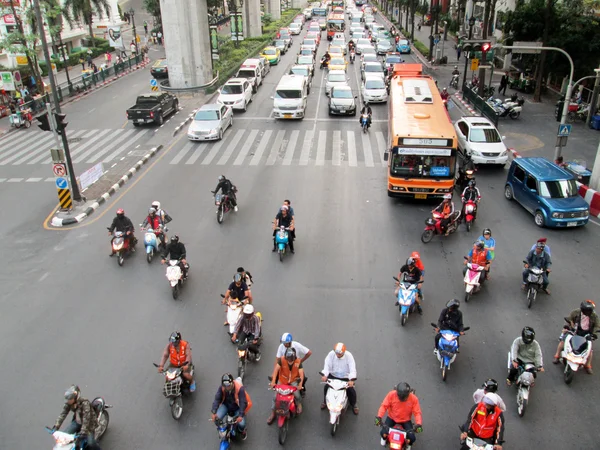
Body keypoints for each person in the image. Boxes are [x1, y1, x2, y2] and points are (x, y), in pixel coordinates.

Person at [553, 300, 599, 373]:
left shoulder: (594, 316)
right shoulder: (576, 312)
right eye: (586, 311)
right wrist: (567, 327)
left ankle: (588, 365)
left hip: (587, 333)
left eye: (589, 311)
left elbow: (597, 326)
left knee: (589, 350)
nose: (587, 313)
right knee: (563, 341)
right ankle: (557, 355)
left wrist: (594, 334)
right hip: (575, 330)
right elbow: (569, 319)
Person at [52, 385, 101, 450]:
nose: (68, 401)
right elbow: (63, 414)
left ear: (75, 398)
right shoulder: (69, 403)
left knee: (91, 444)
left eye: (70, 399)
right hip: (77, 422)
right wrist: (56, 425)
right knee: (64, 437)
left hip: (89, 425)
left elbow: (87, 419)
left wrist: (83, 432)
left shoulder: (85, 403)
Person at [375, 382, 423, 447]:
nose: (402, 399)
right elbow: (384, 406)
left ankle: (408, 445)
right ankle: (384, 439)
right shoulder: (391, 395)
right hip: (392, 418)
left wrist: (419, 424)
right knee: (383, 433)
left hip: (406, 420)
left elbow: (417, 412)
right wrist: (379, 417)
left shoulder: (414, 399)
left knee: (412, 438)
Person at [267, 347, 306, 423]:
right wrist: (273, 382)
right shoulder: (281, 360)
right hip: (282, 381)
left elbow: (301, 374)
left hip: (293, 381)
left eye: (291, 360)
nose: (289, 361)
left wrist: (300, 384)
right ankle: (273, 414)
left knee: (297, 395)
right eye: (288, 360)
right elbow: (276, 371)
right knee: (275, 397)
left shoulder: (298, 362)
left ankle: (298, 404)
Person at [321, 343, 359, 414]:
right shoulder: (331, 354)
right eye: (336, 353)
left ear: (344, 352)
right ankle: (325, 402)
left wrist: (351, 380)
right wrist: (325, 375)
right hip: (333, 376)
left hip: (345, 377)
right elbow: (327, 365)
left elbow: (352, 369)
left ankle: (354, 405)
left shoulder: (349, 356)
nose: (337, 355)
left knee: (351, 391)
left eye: (339, 353)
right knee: (326, 388)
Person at [211, 373, 250, 440]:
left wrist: (240, 415)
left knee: (242, 424)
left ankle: (242, 431)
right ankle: (222, 431)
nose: (226, 388)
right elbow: (217, 398)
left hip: (237, 408)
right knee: (216, 419)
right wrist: (214, 411)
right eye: (225, 386)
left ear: (232, 383)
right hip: (226, 406)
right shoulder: (222, 388)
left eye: (228, 386)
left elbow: (243, 402)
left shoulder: (240, 388)